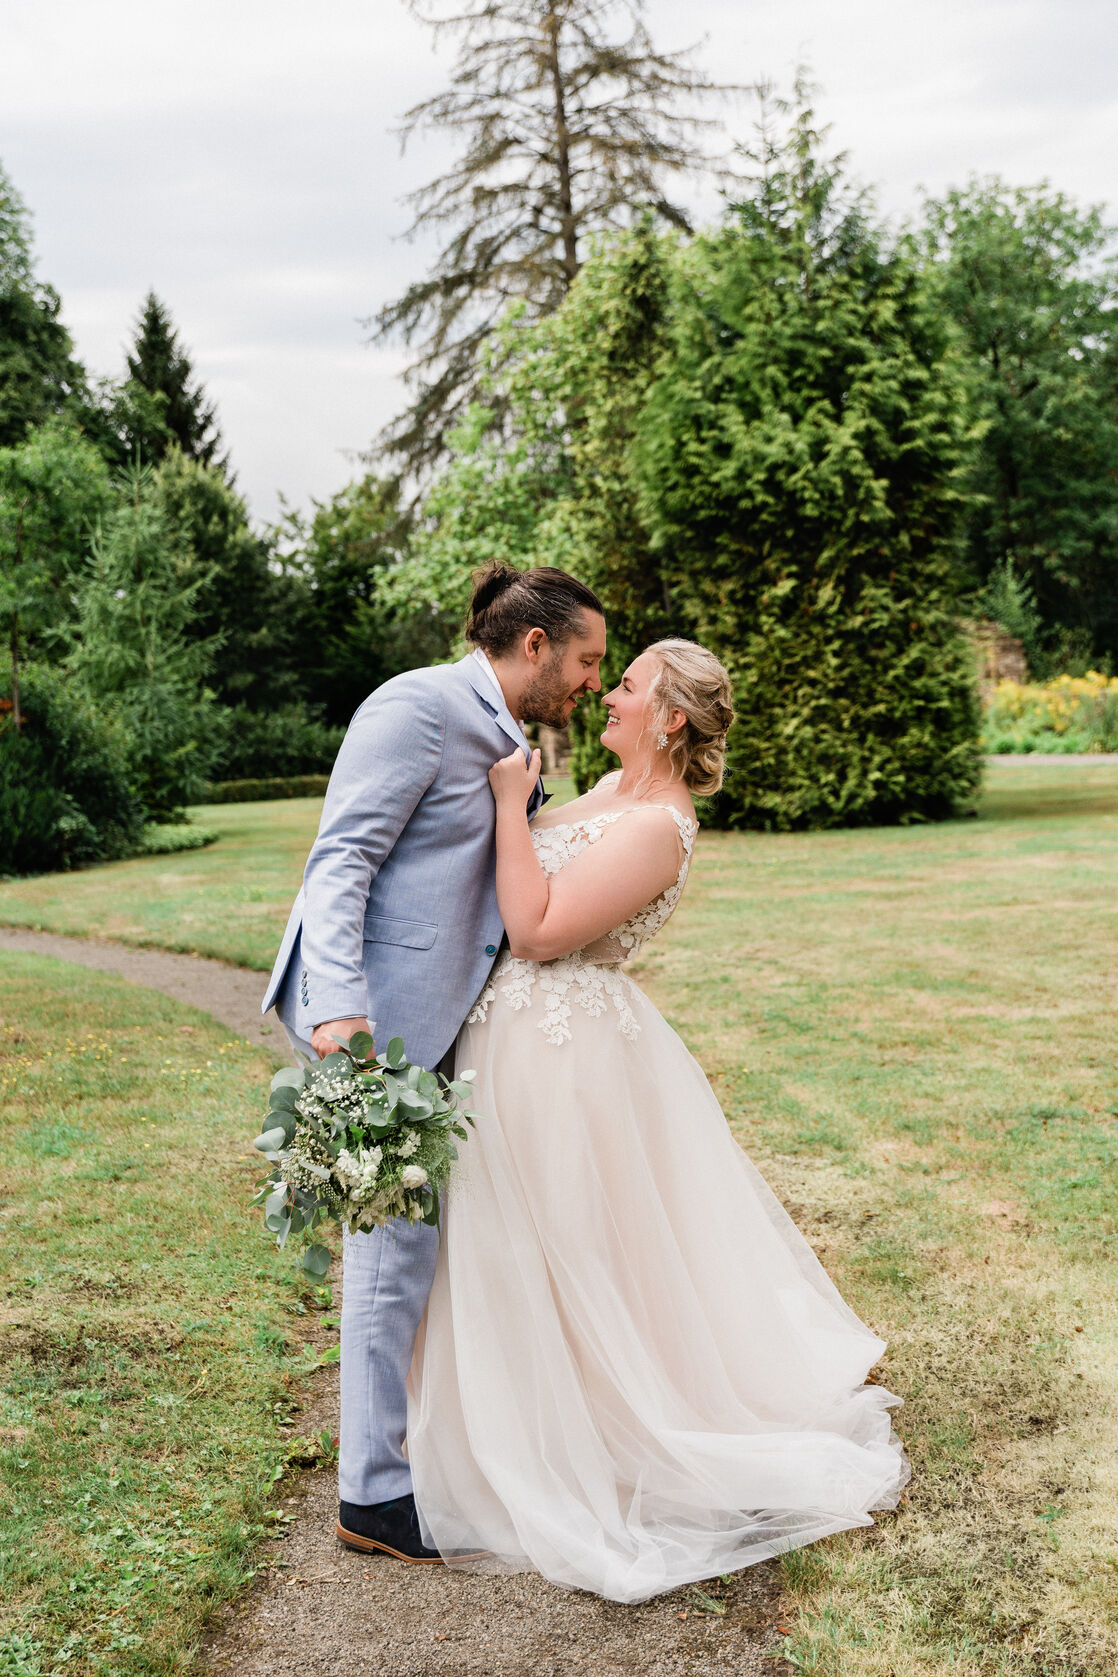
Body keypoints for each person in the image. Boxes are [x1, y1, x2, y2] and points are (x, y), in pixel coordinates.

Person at [406, 637, 910, 1603]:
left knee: (567, 1246)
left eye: (628, 684)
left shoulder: (659, 825)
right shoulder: (604, 788)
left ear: (671, 716)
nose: (607, 692)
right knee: (514, 1246)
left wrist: (515, 806)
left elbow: (543, 931)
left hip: (563, 1054)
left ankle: (592, 1436)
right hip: (511, 1040)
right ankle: (507, 1418)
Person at [261, 564, 607, 1562]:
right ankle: (372, 1495)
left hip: (438, 1015)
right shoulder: (415, 708)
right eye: (584, 659)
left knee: (424, 1239)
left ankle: (413, 1456)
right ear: (533, 645)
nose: (590, 679)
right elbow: (342, 861)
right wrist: (337, 1014)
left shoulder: (510, 736)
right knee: (391, 1239)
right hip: (372, 1024)